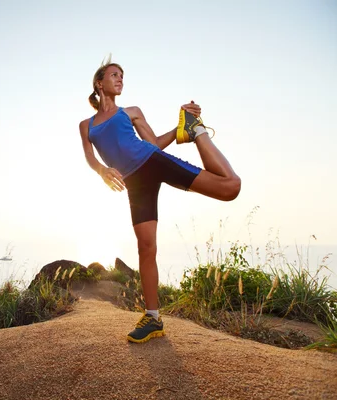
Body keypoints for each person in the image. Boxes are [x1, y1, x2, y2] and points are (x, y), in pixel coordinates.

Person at [79, 60, 241, 343]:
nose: (120, 80)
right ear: (99, 83)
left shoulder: (131, 112)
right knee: (146, 247)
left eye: (122, 76)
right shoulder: (86, 125)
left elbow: (152, 144)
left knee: (230, 188)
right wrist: (102, 170)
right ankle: (152, 317)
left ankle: (197, 131)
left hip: (153, 162)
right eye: (114, 75)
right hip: (135, 183)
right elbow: (91, 158)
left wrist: (182, 131)